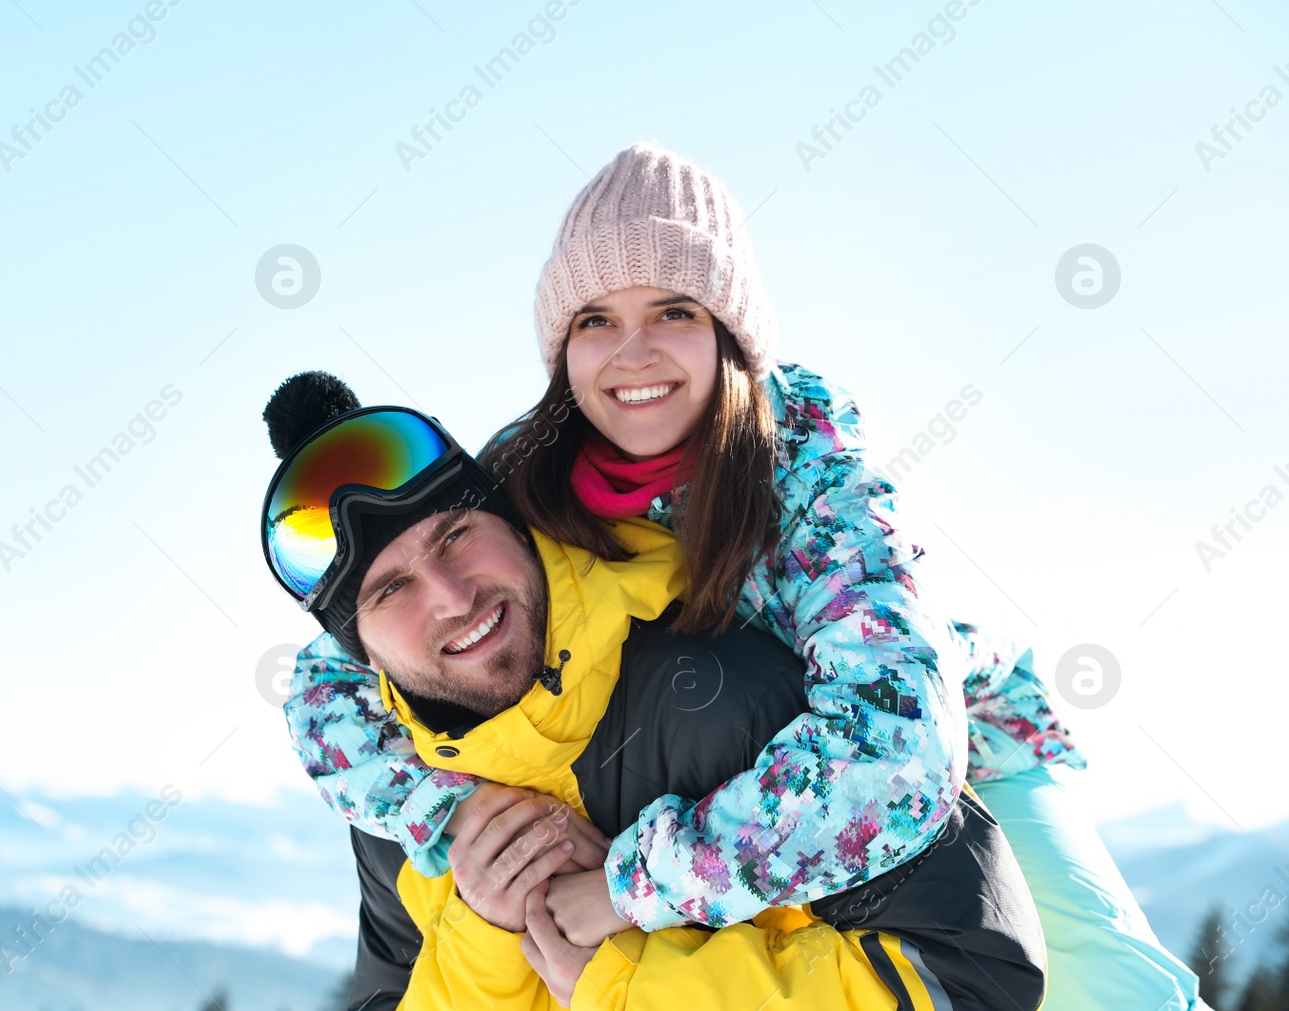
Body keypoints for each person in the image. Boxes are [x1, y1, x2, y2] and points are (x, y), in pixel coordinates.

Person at [281, 143, 1202, 1009]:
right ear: (562, 350)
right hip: (752, 789)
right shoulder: (519, 479)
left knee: (1118, 992)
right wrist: (460, 820)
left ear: (730, 332)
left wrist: (628, 884)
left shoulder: (805, 463)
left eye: (674, 311)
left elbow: (896, 753)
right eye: (597, 320)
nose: (633, 354)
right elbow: (333, 676)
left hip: (966, 757)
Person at [258, 373, 1046, 1009]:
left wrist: (630, 986)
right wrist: (485, 937)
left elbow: (971, 979)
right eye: (391, 588)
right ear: (360, 650)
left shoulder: (723, 697)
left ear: (510, 521)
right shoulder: (403, 802)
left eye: (456, 535)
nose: (452, 596)